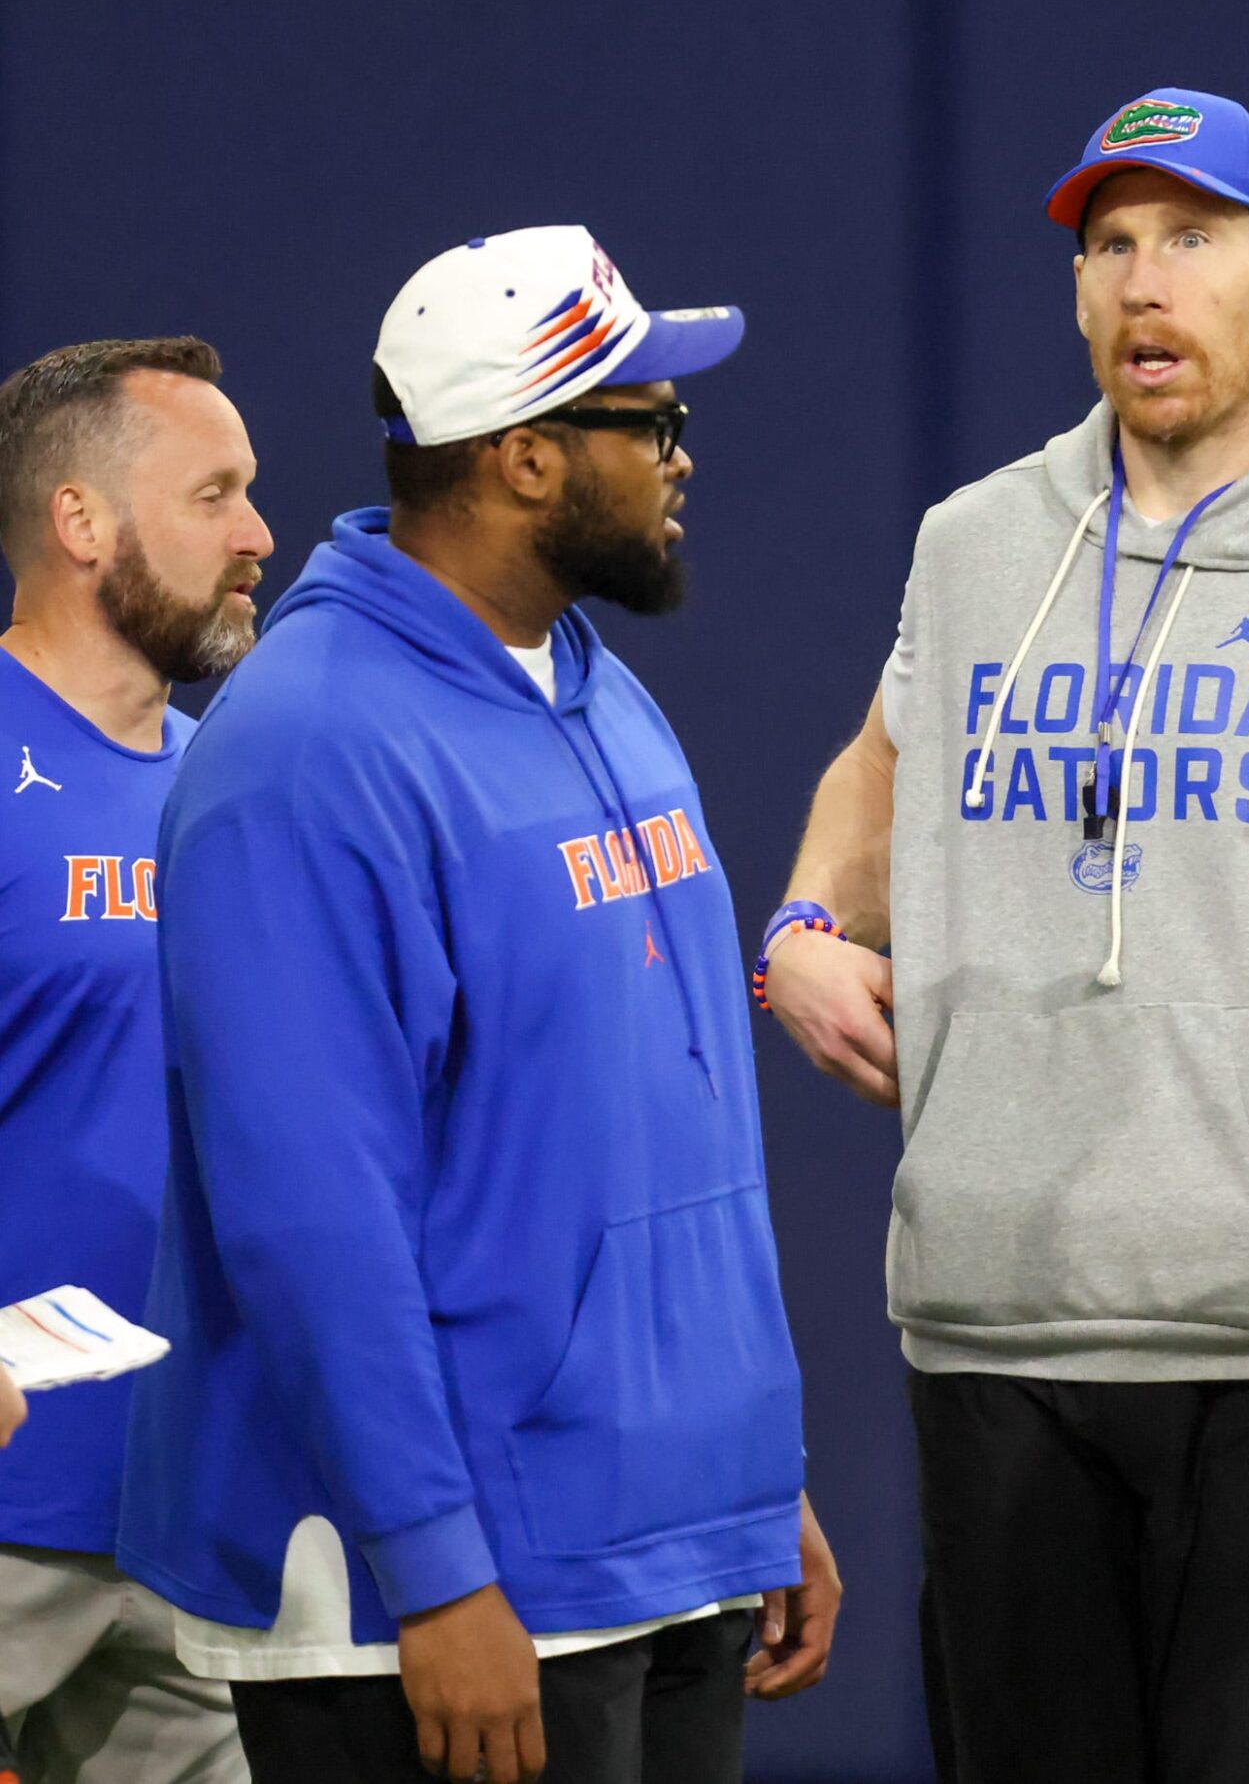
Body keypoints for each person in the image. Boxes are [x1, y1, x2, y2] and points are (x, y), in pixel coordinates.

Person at [761, 88, 1249, 1782]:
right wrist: (806, 926)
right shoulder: (976, 549)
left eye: (1191, 241)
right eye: (1110, 247)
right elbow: (885, 759)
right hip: (997, 1318)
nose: (1142, 286)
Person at [116, 228, 840, 1784]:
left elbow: (658, 1129)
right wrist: (434, 1566)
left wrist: (746, 1475)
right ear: (523, 457)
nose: (681, 457)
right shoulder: (302, 750)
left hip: (661, 1534)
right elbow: (311, 1213)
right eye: (650, 423)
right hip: (452, 1592)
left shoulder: (587, 678)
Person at [0, 336, 270, 1784]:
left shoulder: (239, 784)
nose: (257, 536)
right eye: (215, 494)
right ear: (82, 523)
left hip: (186, 1519)